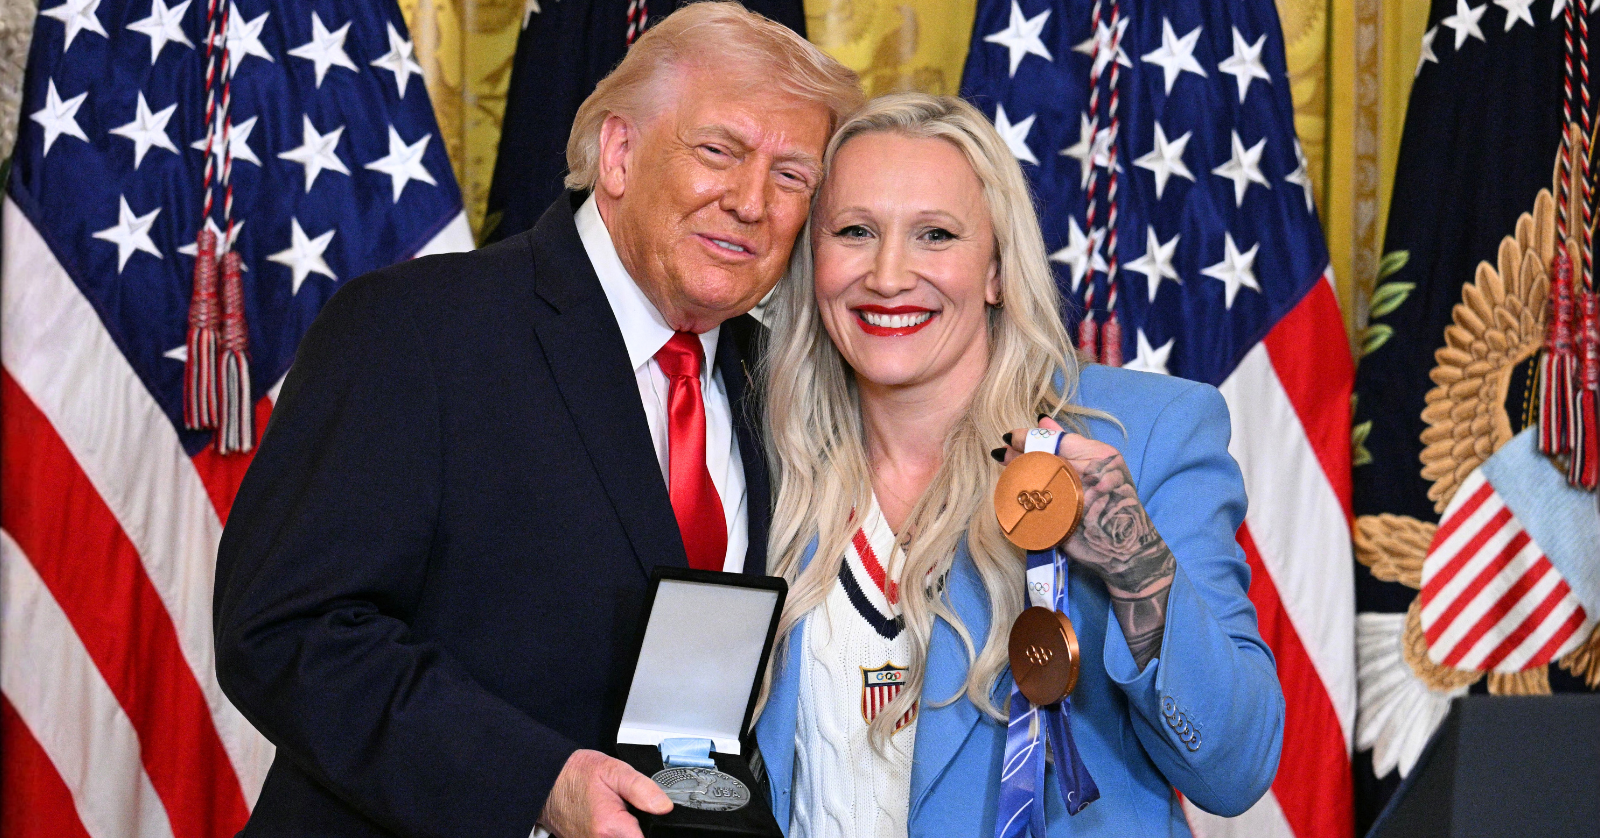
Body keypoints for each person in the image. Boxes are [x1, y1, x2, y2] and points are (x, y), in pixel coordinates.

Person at [211, 5, 861, 837]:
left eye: (792, 176)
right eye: (718, 152)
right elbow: (284, 631)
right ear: (618, 154)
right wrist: (535, 785)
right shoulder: (417, 329)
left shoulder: (775, 381)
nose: (750, 202)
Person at [752, 93, 1284, 837]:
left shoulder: (1146, 433)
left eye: (936, 235)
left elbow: (1235, 768)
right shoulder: (763, 450)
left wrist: (1133, 561)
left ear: (998, 269)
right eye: (855, 231)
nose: (888, 274)